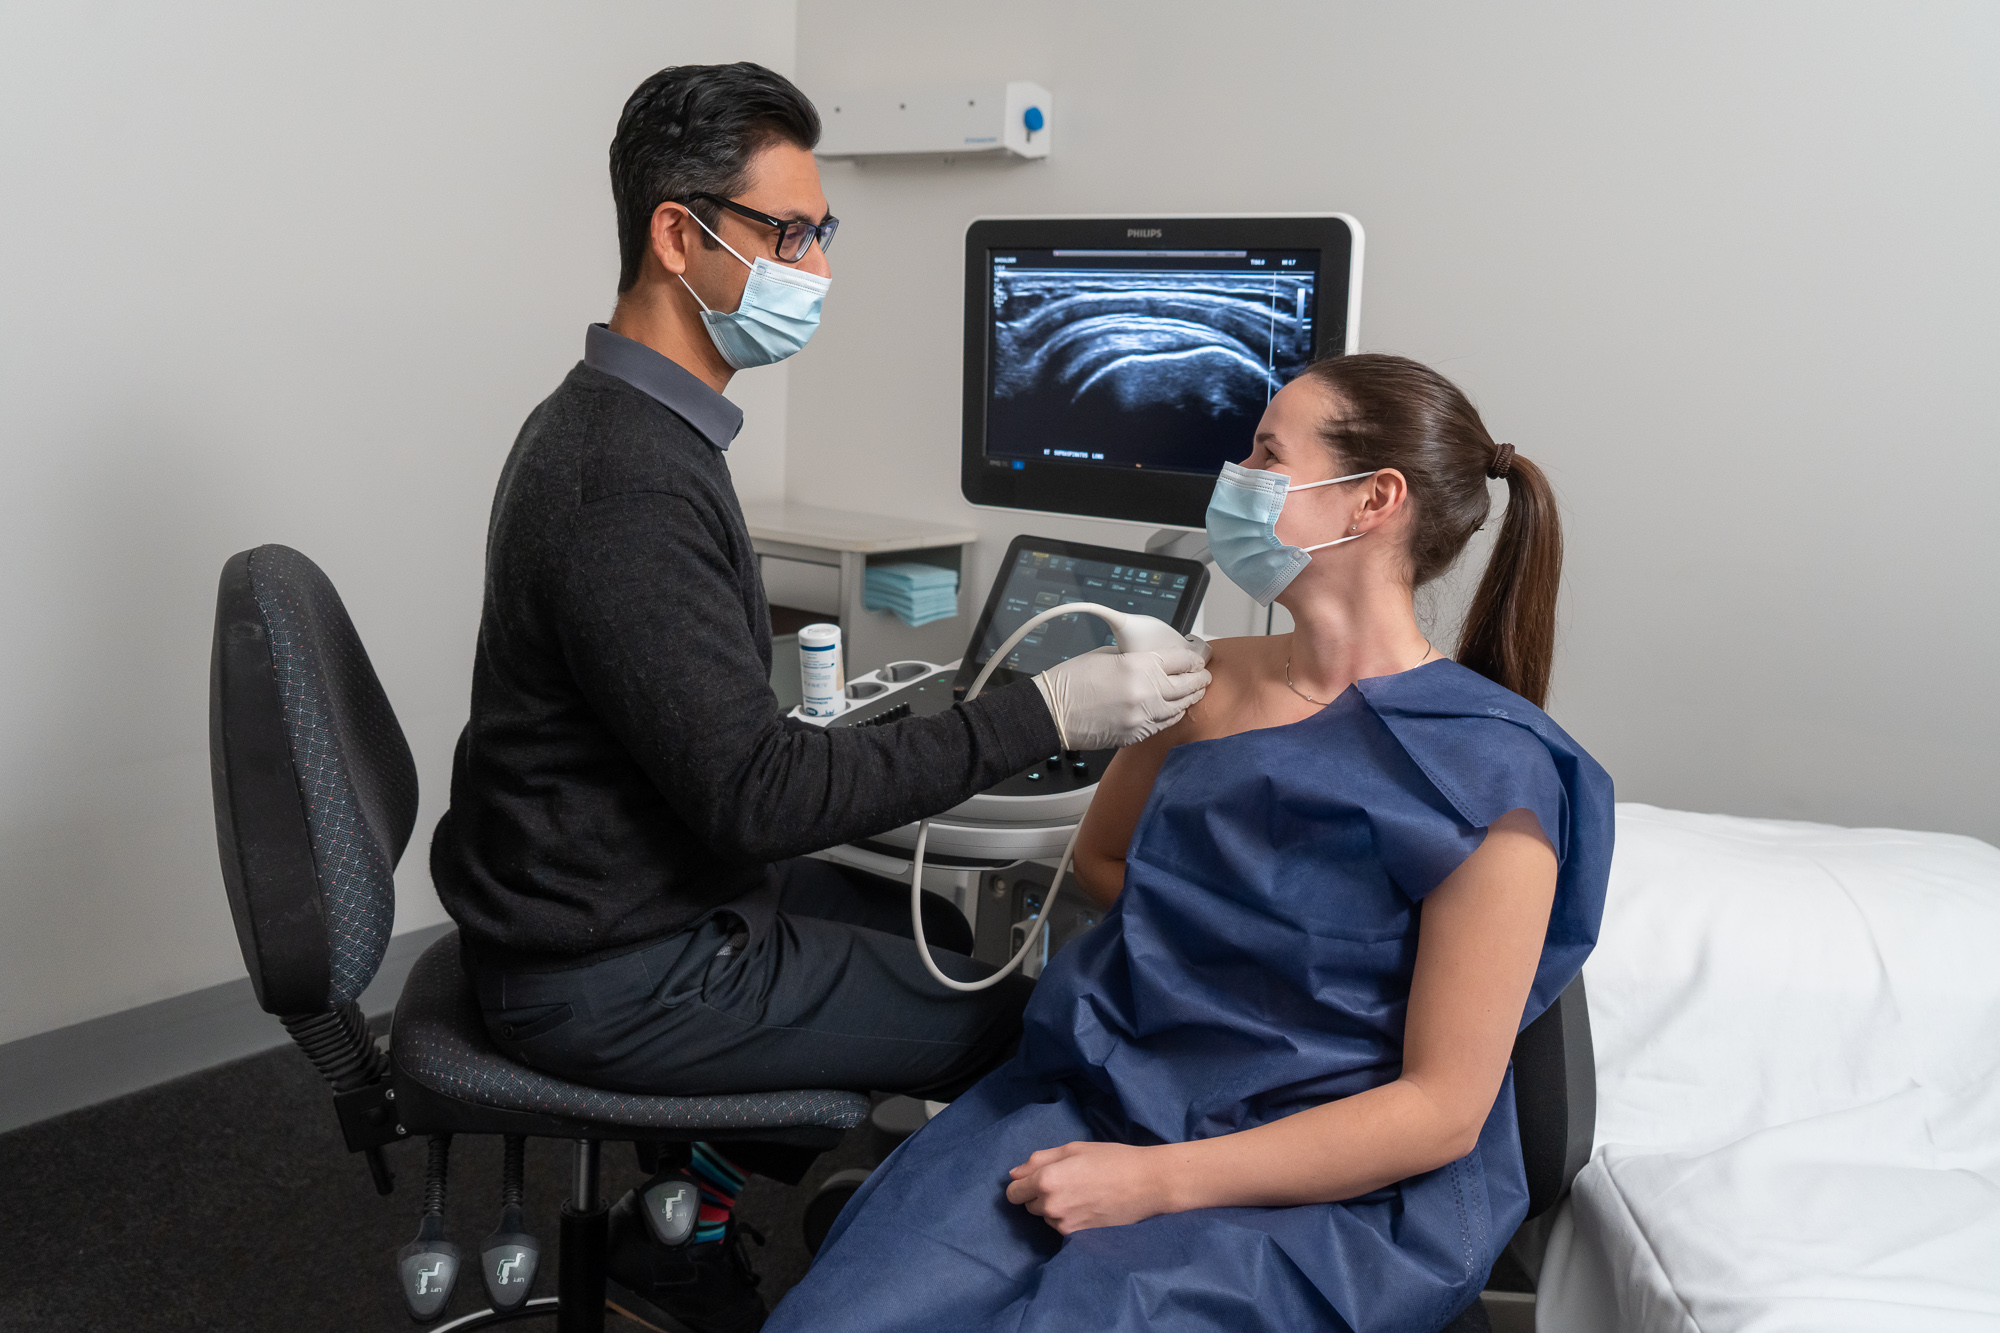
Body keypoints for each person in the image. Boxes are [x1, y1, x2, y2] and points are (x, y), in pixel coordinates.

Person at [426, 63, 1210, 1332]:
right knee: (1017, 1021)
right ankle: (911, 1284)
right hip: (613, 969)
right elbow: (755, 796)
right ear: (677, 236)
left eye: (820, 234)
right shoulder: (625, 479)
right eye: (787, 236)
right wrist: (1045, 714)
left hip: (612, 899)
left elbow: (710, 745)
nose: (818, 272)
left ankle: (689, 1222)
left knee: (941, 945)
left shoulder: (628, 426)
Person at [766, 353, 1616, 1333]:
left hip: (1322, 1179)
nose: (1235, 477)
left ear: (1371, 499)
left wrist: (1158, 1179)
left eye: (1264, 452)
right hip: (1107, 1089)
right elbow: (1101, 860)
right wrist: (1207, 976)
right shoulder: (1199, 683)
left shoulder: (1495, 776)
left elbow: (1440, 1109)